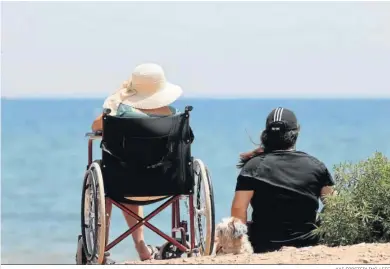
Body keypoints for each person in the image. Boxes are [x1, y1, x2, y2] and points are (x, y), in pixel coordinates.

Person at [91, 63, 183, 261]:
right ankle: (143, 247)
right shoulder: (173, 116)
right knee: (138, 173)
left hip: (125, 185)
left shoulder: (119, 114)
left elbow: (96, 125)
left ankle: (107, 248)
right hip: (168, 183)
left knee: (122, 174)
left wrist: (118, 99)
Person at [231, 107, 335, 253]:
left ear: (266, 134)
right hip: (308, 244)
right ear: (296, 132)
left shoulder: (253, 166)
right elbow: (335, 206)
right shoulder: (316, 166)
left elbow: (238, 210)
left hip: (263, 245)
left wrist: (239, 245)